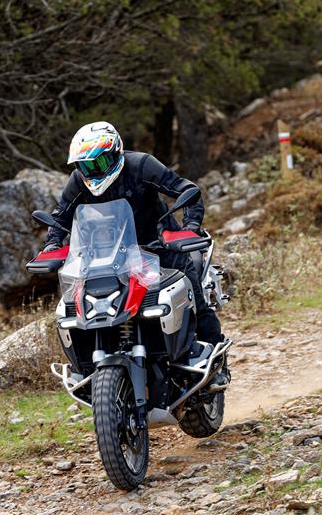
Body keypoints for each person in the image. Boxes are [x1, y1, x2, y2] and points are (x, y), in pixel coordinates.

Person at [42, 121, 228, 383]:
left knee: (193, 295)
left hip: (159, 247)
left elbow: (187, 190)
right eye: (85, 166)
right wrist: (53, 244)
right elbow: (60, 217)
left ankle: (213, 363)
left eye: (98, 163)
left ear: (116, 153)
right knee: (78, 308)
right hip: (107, 256)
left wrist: (191, 227)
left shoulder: (141, 165)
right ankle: (85, 367)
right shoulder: (78, 181)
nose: (92, 172)